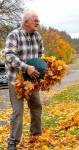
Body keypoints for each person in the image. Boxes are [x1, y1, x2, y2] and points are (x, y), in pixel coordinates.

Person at [4, 10, 44, 150]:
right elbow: (9, 55)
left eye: (38, 20)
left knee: (37, 106)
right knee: (18, 111)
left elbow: (41, 56)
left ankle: (35, 135)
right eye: (35, 19)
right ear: (26, 21)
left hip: (32, 80)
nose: (38, 22)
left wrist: (42, 73)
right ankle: (12, 142)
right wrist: (26, 67)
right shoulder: (14, 35)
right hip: (16, 80)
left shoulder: (37, 36)